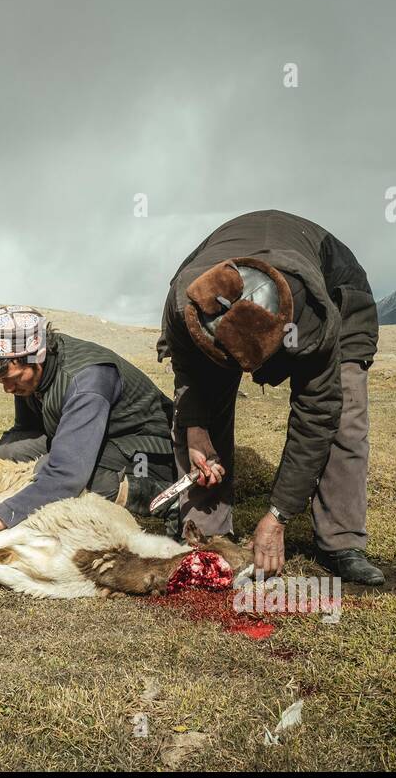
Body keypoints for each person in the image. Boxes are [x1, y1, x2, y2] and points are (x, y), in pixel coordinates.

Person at [158, 209, 384, 585]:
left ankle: (342, 541)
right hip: (227, 284)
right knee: (205, 400)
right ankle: (206, 534)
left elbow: (318, 415)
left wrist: (277, 515)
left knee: (346, 415)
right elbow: (189, 372)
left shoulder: (314, 318)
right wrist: (195, 428)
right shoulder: (187, 302)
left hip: (337, 290)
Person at [0, 306, 178, 566]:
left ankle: (166, 500)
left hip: (149, 454)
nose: (7, 389)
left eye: (10, 378)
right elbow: (23, 435)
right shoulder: (32, 375)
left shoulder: (87, 381)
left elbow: (66, 476)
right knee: (15, 450)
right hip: (100, 437)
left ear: (36, 356)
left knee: (53, 469)